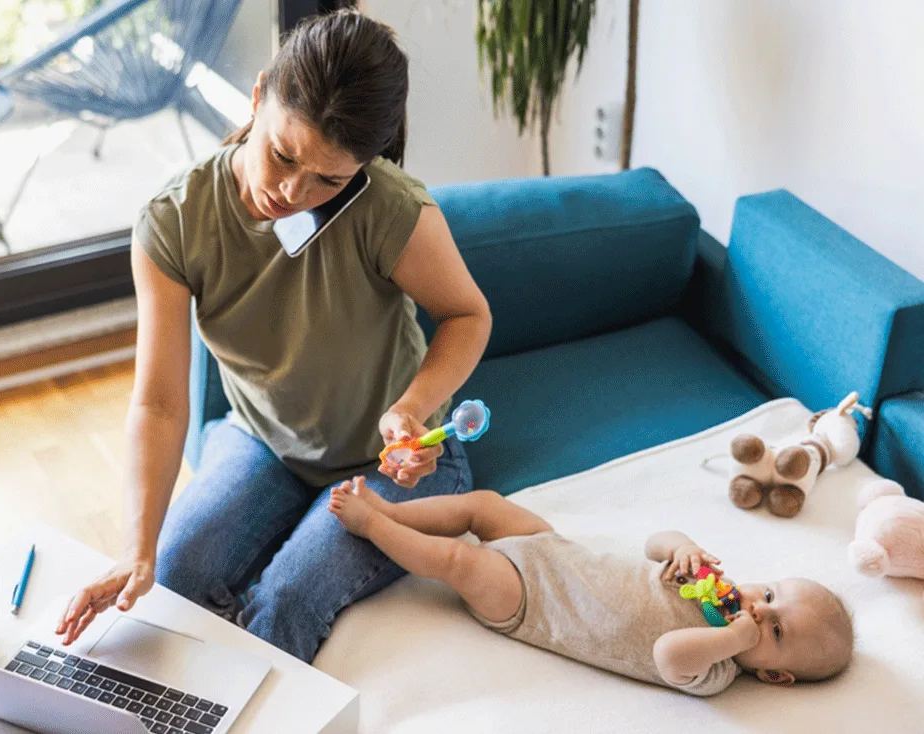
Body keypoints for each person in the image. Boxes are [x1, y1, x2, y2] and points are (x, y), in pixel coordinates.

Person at [55, 9, 492, 662]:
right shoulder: (175, 224)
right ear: (258, 96)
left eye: (329, 180)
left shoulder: (389, 209)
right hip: (265, 441)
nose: (292, 191)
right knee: (169, 576)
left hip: (388, 462)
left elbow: (468, 315)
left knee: (285, 601)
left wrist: (412, 408)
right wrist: (135, 549)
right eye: (283, 156)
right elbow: (160, 403)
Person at [327, 477, 855, 695]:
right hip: (553, 550)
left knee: (458, 560)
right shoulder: (718, 584)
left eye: (775, 630)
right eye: (771, 595)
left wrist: (735, 638)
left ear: (774, 674)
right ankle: (394, 510)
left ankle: (373, 526)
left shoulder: (716, 670)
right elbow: (653, 544)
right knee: (483, 505)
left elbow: (668, 654)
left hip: (531, 602)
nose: (760, 610)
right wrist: (681, 546)